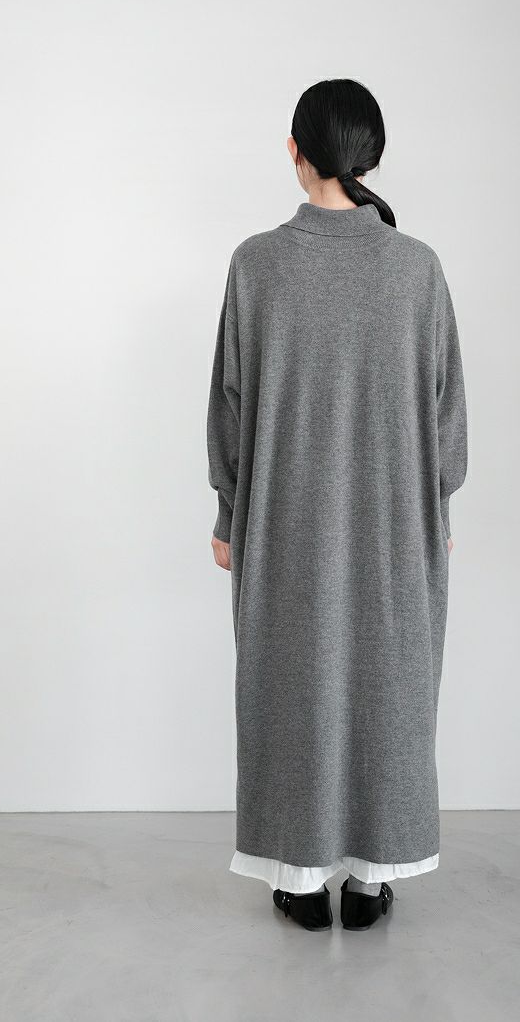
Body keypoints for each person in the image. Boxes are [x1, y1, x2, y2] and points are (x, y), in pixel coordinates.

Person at [207, 78, 468, 932]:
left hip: (284, 526)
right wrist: (438, 509)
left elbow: (230, 407)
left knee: (292, 686)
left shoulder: (257, 264)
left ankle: (301, 875)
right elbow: (447, 411)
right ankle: (370, 879)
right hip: (397, 525)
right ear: (373, 157)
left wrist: (228, 517)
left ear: (295, 150)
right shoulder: (417, 267)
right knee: (388, 685)